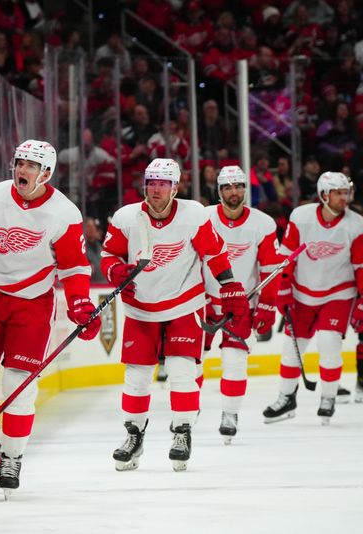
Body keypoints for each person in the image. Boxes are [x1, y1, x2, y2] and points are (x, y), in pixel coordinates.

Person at [0, 139, 98, 497]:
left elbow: (74, 266)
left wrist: (80, 305)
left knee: (18, 385)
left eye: (31, 165)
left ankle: (13, 456)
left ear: (46, 173)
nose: (22, 170)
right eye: (19, 163)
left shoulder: (64, 213)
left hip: (32, 305)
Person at [101, 158, 249, 472]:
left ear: (175, 187)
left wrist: (231, 286)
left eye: (162, 183)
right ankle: (134, 436)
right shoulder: (126, 217)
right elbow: (109, 254)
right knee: (137, 377)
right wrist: (115, 271)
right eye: (151, 182)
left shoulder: (193, 213)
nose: (155, 189)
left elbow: (214, 253)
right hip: (140, 307)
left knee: (182, 370)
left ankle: (182, 432)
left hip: (184, 303)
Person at [263, 172, 363, 425]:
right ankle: (287, 397)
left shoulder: (356, 224)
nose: (344, 197)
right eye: (338, 193)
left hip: (339, 292)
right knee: (290, 350)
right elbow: (287, 257)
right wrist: (283, 290)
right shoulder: (301, 217)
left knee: (329, 344)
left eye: (346, 192)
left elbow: (361, 267)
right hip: (302, 292)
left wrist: (361, 302)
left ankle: (328, 397)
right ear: (323, 195)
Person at [202, 166, 282, 443]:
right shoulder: (204, 218)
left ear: (245, 189)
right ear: (219, 191)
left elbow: (271, 269)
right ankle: (187, 411)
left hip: (242, 303)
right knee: (189, 361)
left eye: (238, 186)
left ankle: (230, 413)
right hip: (204, 301)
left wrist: (268, 306)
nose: (234, 192)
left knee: (234, 361)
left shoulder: (263, 223)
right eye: (228, 187)